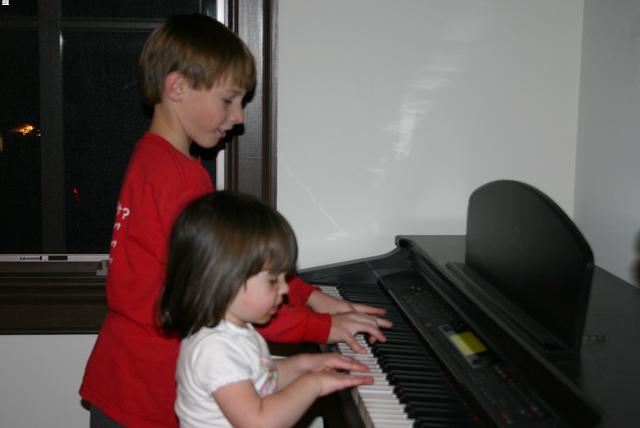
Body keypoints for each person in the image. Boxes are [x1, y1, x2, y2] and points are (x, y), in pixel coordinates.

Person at [79, 13, 389, 428]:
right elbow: (227, 289)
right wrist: (322, 326)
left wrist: (311, 296)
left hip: (124, 373)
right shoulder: (180, 180)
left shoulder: (152, 159)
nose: (239, 116)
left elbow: (232, 263)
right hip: (147, 390)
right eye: (229, 100)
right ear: (176, 87)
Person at [160, 191, 374, 428]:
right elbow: (259, 422)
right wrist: (314, 384)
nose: (285, 289)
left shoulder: (235, 331)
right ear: (225, 279)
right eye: (273, 280)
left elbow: (260, 379)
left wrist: (304, 365)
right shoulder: (214, 350)